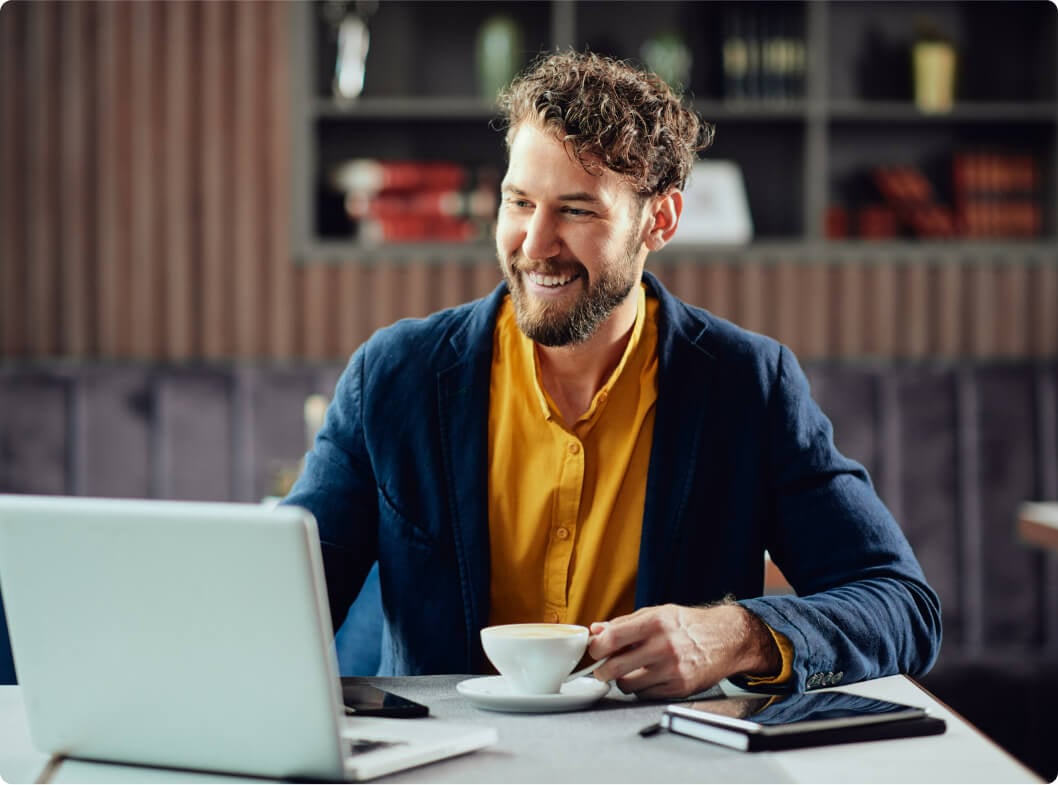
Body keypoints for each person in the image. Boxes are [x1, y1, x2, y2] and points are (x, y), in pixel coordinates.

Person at [284, 50, 941, 699]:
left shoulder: (749, 386)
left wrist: (740, 634)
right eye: (519, 202)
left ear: (659, 219)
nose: (535, 244)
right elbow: (285, 601)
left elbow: (903, 606)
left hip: (666, 763)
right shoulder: (394, 376)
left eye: (575, 210)